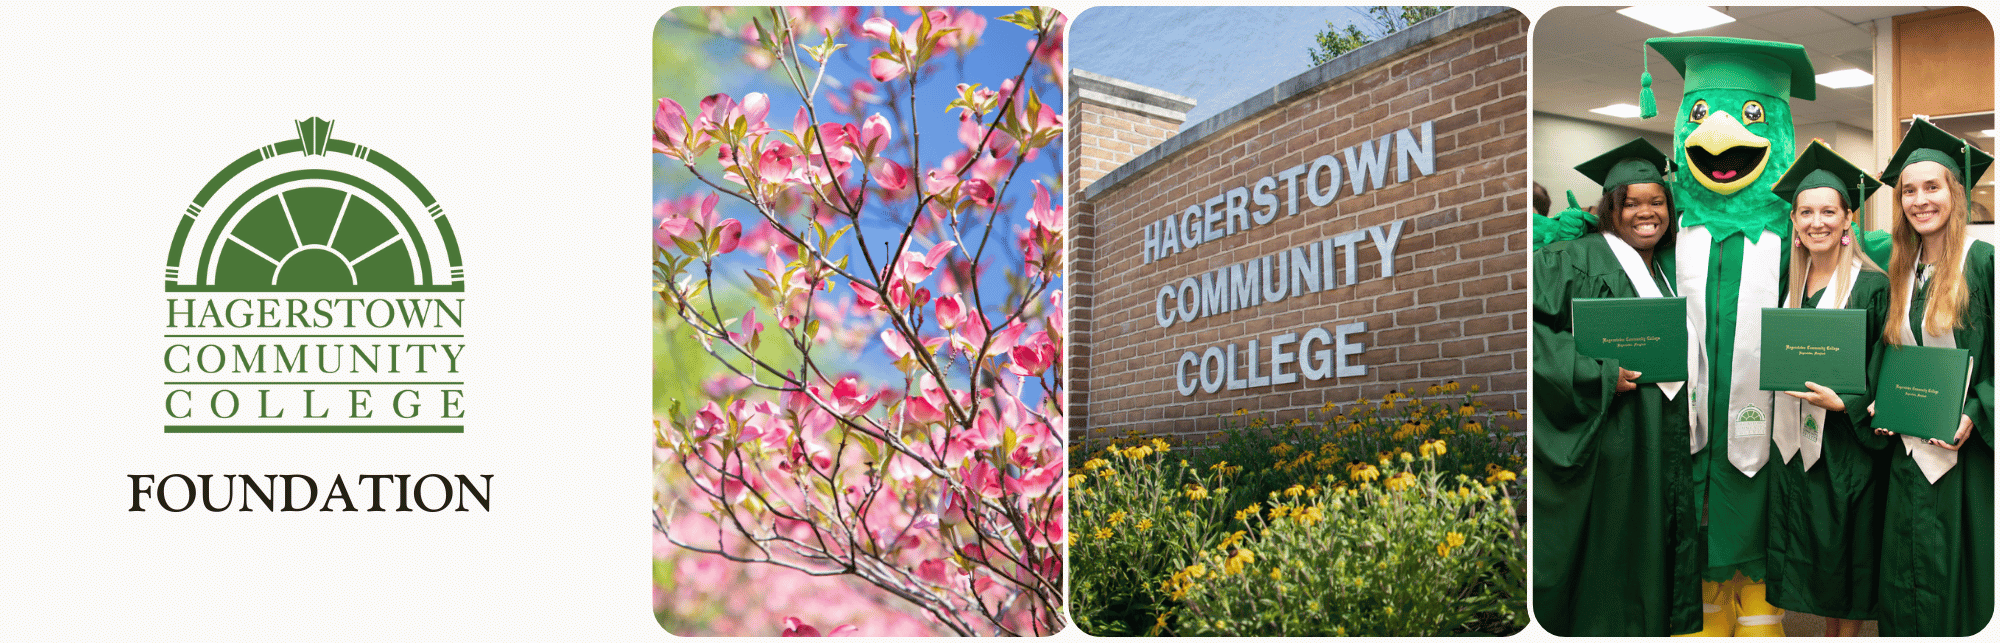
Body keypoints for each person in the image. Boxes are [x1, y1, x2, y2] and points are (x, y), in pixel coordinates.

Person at [1533, 138, 1701, 636]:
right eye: (1632, 203)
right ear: (1611, 208)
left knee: (1650, 549)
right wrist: (1596, 371)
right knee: (1615, 555)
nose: (1646, 213)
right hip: (1614, 442)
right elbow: (1527, 334)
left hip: (1660, 438)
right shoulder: (1574, 259)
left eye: (1657, 202)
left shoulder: (1664, 268)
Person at [1868, 117, 1994, 637]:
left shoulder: (1983, 262)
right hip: (1908, 453)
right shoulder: (1903, 269)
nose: (1920, 200)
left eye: (1932, 187)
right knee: (1906, 569)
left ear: (1955, 193)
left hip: (1964, 458)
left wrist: (1975, 411)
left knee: (1957, 571)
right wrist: (1882, 401)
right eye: (1908, 191)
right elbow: (1890, 355)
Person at [1759, 141, 1891, 636]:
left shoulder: (1873, 288)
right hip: (1793, 446)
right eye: (1806, 212)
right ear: (1793, 221)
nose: (1817, 222)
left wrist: (1848, 403)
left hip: (1845, 449)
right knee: (1806, 549)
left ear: (1848, 219)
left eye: (1829, 212)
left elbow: (1887, 372)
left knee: (1844, 552)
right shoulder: (1786, 288)